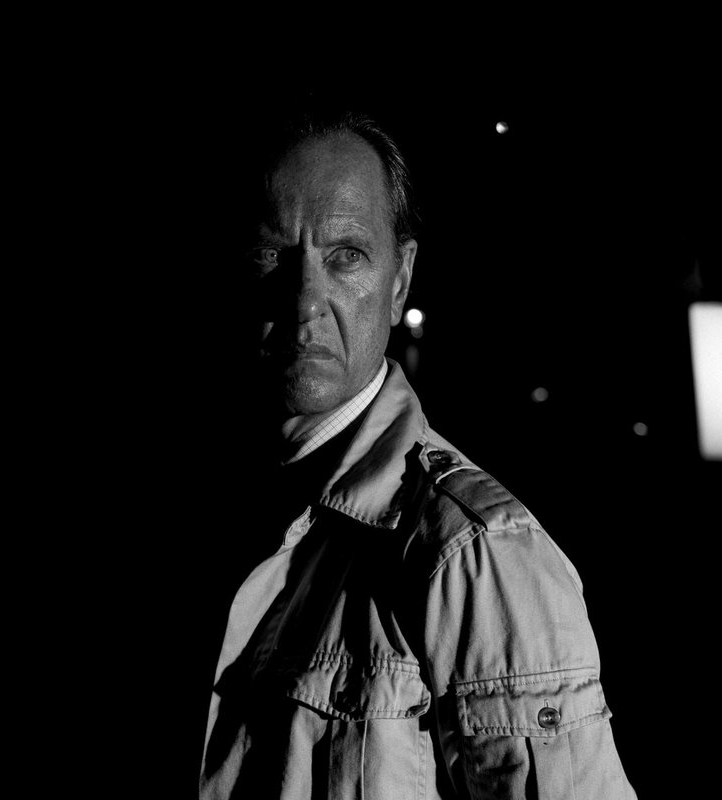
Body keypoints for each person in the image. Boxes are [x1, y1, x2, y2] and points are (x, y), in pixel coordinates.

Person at [198, 110, 636, 799]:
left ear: (400, 280)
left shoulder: (475, 554)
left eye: (345, 256)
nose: (305, 300)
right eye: (271, 255)